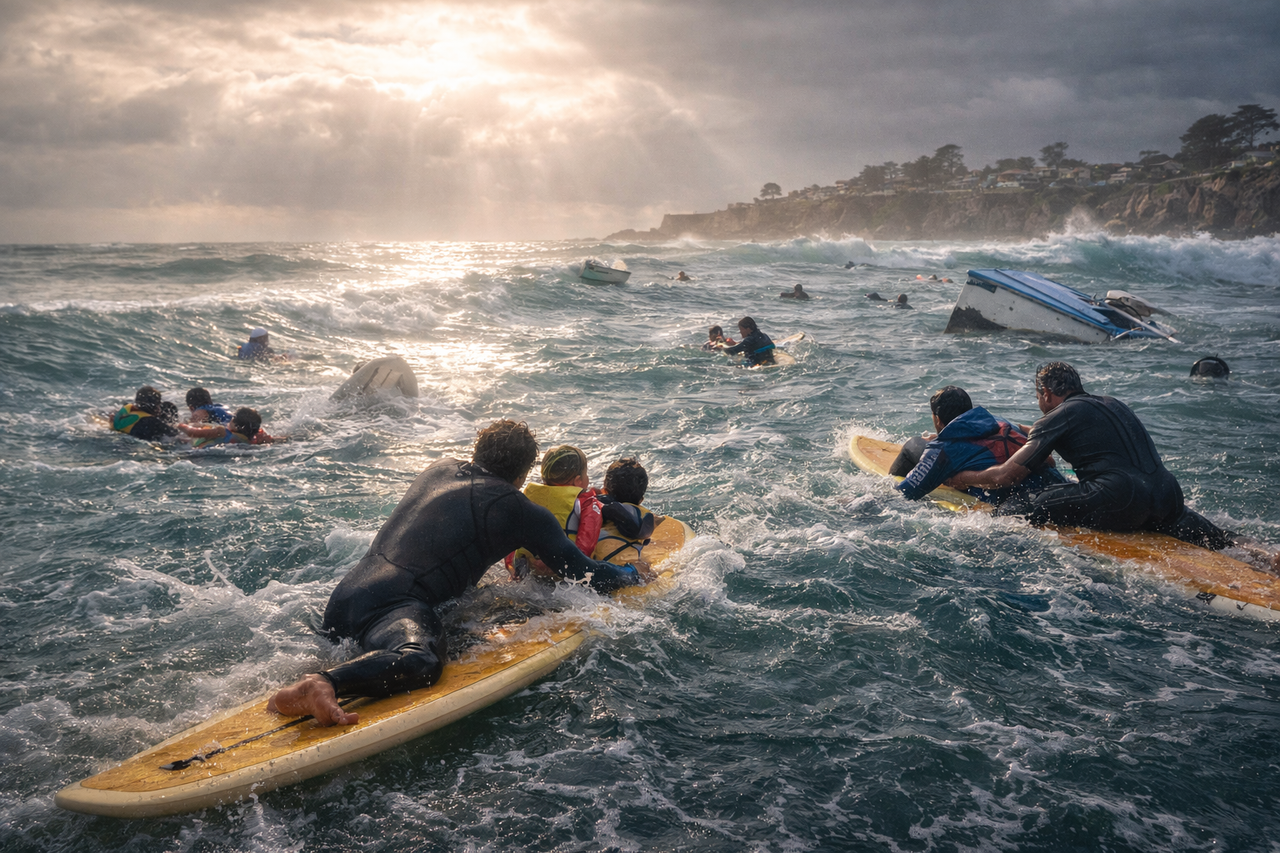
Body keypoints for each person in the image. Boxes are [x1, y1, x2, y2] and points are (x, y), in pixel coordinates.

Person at [267, 420, 649, 726]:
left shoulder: (440, 469)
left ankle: (322, 674)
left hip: (345, 600)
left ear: (478, 451)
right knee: (424, 660)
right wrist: (633, 573)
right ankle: (324, 682)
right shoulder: (517, 508)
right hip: (394, 608)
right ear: (522, 474)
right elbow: (582, 573)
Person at [946, 362, 1235, 549]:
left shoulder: (1058, 415)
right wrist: (1007, 425)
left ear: (1046, 393)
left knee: (1016, 506)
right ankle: (1261, 555)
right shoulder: (1110, 403)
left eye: (1037, 398)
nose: (1039, 404)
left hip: (1118, 497)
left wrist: (957, 477)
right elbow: (1043, 430)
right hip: (1167, 495)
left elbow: (1005, 475)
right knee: (1221, 541)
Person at [889, 386, 1065, 506]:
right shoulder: (1003, 424)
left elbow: (904, 494)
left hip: (1011, 500)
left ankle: (886, 478)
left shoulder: (941, 451)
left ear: (937, 419)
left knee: (913, 443)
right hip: (1055, 487)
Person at [509, 445, 604, 577]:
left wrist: (512, 567)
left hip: (525, 566)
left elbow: (510, 537)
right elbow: (587, 542)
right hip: (561, 569)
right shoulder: (586, 502)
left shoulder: (526, 496)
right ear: (578, 481)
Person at [593, 457, 661, 564]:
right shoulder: (643, 518)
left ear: (604, 490)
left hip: (594, 565)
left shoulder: (594, 505)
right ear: (640, 500)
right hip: (629, 571)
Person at [178, 407, 277, 447]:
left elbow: (192, 433)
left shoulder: (221, 432)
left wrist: (179, 425)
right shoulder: (253, 441)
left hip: (196, 456)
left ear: (237, 426)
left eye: (233, 418)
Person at [111, 386, 181, 441]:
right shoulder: (151, 422)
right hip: (142, 442)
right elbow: (175, 435)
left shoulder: (126, 408)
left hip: (124, 436)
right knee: (169, 407)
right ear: (156, 405)